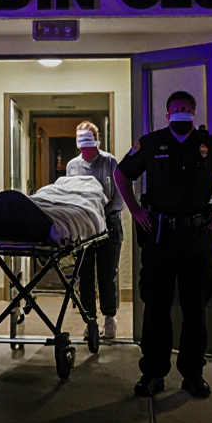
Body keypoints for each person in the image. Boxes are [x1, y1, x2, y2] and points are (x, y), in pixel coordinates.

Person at [115, 90, 212, 399]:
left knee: (195, 308)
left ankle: (193, 373)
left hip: (197, 238)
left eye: (186, 108)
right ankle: (152, 374)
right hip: (160, 237)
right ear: (167, 114)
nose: (181, 112)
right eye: (176, 108)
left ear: (194, 112)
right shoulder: (150, 143)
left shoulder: (210, 145)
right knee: (156, 307)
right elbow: (121, 174)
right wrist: (135, 210)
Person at [65, 121, 123, 339]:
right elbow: (69, 193)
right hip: (84, 226)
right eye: (83, 146)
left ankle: (110, 317)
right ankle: (90, 320)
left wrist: (101, 213)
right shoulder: (73, 165)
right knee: (85, 275)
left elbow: (118, 196)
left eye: (90, 145)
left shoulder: (109, 162)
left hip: (108, 222)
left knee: (107, 274)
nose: (86, 151)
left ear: (97, 142)